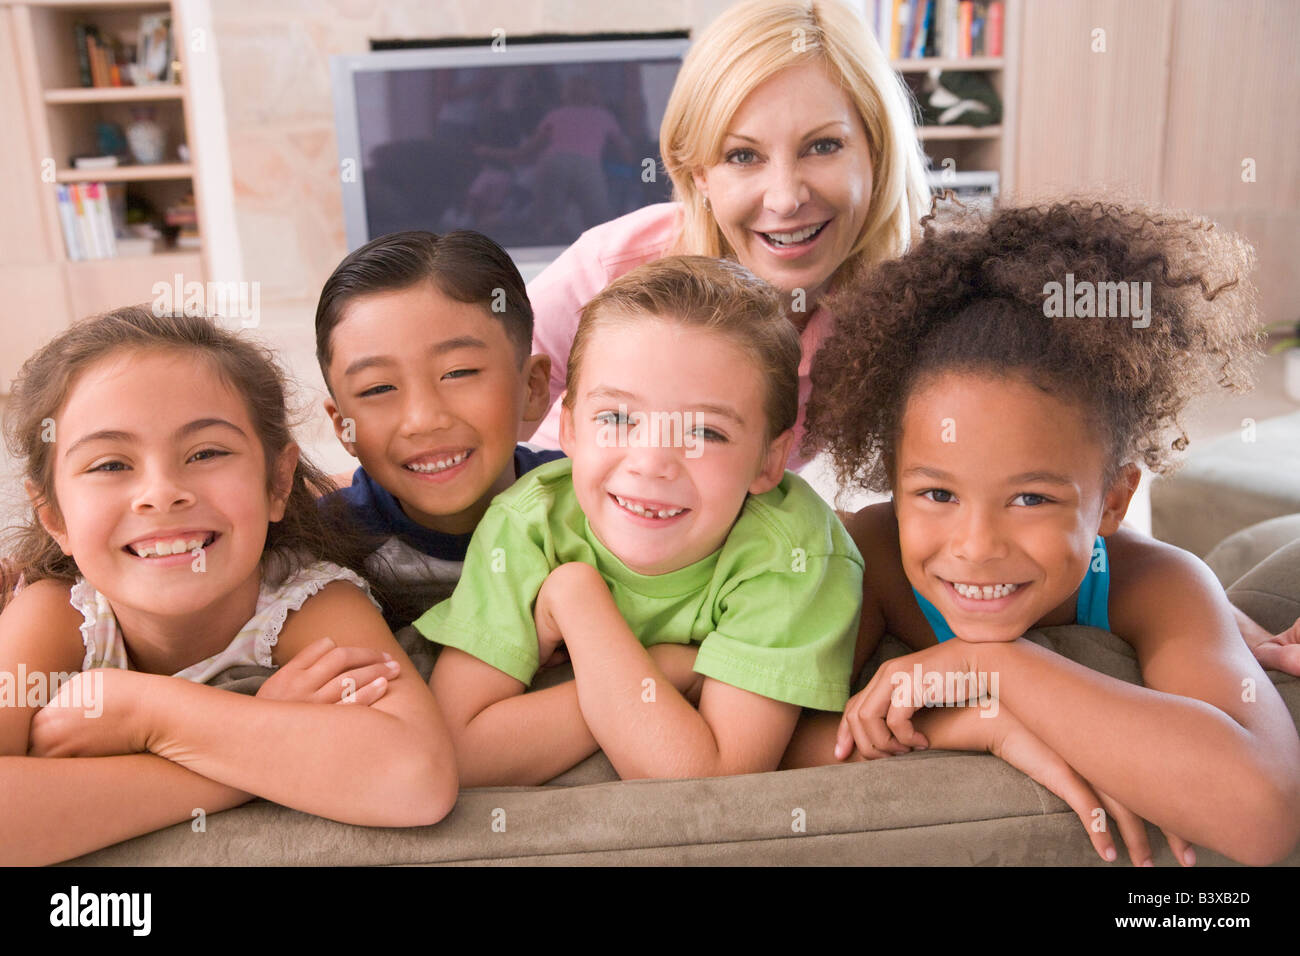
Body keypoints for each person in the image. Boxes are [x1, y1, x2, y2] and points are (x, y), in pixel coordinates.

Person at [782, 199, 1300, 866]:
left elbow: (1262, 815)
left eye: (1030, 497)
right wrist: (978, 721)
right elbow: (773, 741)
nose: (975, 546)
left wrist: (994, 665)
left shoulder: (1154, 582)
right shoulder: (866, 560)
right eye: (937, 493)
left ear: (1114, 501)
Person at [0, 307, 457, 866]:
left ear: (278, 481)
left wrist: (146, 713)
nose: (162, 493)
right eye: (110, 465)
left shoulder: (306, 601)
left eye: (206, 453)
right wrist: (236, 756)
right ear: (55, 519)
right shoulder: (57, 614)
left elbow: (417, 780)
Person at [418, 256, 863, 786]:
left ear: (769, 461)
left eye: (705, 432)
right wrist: (664, 668)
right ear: (572, 429)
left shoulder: (794, 554)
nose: (651, 462)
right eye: (616, 419)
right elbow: (454, 755)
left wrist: (577, 609)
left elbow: (706, 781)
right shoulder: (528, 524)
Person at [524, 0, 929, 466]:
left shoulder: (908, 301)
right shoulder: (613, 267)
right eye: (742, 156)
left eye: (823, 146)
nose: (785, 198)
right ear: (699, 174)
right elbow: (486, 410)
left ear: (876, 155)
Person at [315, 230, 561, 624]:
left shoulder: (595, 511)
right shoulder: (318, 548)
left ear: (532, 387)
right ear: (344, 427)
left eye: (458, 373)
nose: (423, 420)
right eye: (378, 388)